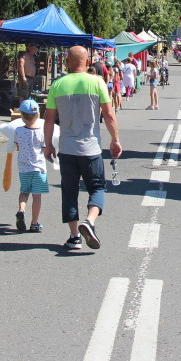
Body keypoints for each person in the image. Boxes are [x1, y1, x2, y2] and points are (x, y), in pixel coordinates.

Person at [43, 46, 122, 250]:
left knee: (69, 192)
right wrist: (115, 139)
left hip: (67, 149)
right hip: (91, 149)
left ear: (67, 61)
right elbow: (109, 114)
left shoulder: (57, 84)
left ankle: (74, 236)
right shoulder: (96, 82)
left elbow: (49, 118)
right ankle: (90, 221)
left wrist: (48, 144)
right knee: (97, 188)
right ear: (88, 62)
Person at [14, 99, 47, 233]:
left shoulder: (18, 131)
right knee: (37, 196)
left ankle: (21, 210)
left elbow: (17, 146)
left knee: (24, 192)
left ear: (22, 116)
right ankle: (34, 223)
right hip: (39, 169)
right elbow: (44, 149)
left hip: (24, 168)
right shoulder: (41, 132)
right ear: (38, 115)